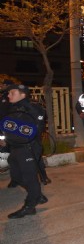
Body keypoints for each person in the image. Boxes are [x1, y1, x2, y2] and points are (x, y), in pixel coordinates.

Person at [0, 84, 48, 218]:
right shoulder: (12, 107)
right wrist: (5, 140)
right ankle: (37, 195)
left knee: (29, 177)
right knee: (16, 176)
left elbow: (35, 129)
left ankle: (29, 206)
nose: (8, 95)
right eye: (8, 93)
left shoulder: (33, 107)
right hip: (15, 147)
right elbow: (9, 125)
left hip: (28, 148)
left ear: (23, 94)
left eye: (12, 93)